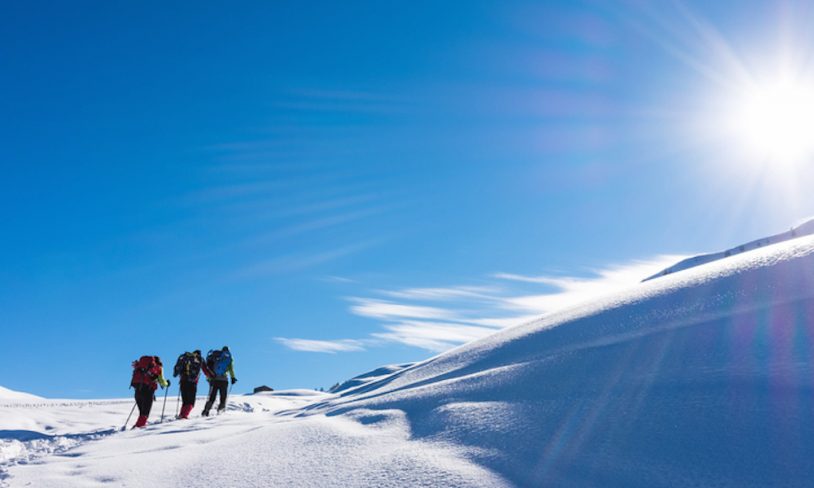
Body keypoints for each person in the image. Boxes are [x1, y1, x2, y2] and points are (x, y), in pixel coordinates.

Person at [130, 355, 169, 428]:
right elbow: (162, 381)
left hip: (138, 390)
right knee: (145, 412)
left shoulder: (141, 366)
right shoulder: (158, 368)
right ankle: (139, 426)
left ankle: (139, 425)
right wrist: (167, 383)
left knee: (142, 412)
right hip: (148, 390)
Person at [202, 346, 237, 416]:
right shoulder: (229, 358)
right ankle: (220, 411)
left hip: (214, 379)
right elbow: (231, 369)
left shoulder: (215, 357)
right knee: (223, 396)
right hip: (224, 380)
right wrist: (233, 377)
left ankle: (206, 410)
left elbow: (209, 368)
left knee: (212, 396)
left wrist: (209, 379)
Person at [173, 350, 208, 419]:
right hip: (192, 382)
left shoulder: (185, 358)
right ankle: (184, 416)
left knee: (185, 401)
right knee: (191, 402)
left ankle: (181, 415)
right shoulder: (199, 359)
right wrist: (212, 376)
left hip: (183, 381)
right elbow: (206, 370)